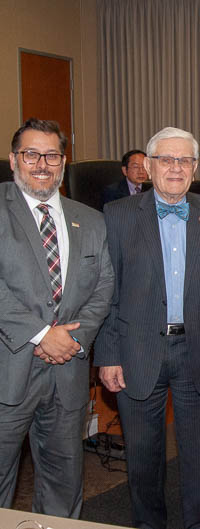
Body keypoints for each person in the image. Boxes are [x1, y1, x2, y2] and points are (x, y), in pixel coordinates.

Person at [95, 127, 200, 529]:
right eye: (166, 159)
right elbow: (106, 291)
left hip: (197, 350)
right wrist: (108, 354)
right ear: (148, 167)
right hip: (137, 351)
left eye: (184, 160)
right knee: (144, 457)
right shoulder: (117, 216)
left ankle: (199, 522)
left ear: (195, 167)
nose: (176, 167)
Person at [0, 118, 114, 517]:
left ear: (64, 162)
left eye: (51, 155)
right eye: (31, 154)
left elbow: (103, 287)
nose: (42, 164)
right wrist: (40, 333)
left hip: (67, 371)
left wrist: (72, 339)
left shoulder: (91, 220)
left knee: (63, 484)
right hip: (7, 371)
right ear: (14, 160)